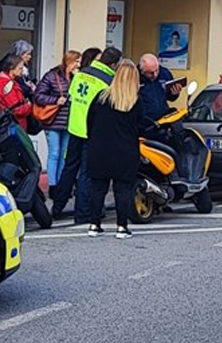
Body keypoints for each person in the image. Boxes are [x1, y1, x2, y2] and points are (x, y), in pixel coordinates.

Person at [52, 46, 120, 225]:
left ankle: (57, 207)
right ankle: (82, 214)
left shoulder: (82, 73)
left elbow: (72, 97)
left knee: (69, 168)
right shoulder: (108, 80)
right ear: (113, 64)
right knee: (86, 174)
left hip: (74, 128)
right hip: (91, 131)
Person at [86, 60, 144, 239]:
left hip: (100, 148)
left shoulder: (101, 97)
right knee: (123, 190)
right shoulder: (135, 101)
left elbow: (90, 122)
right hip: (125, 150)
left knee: (97, 188)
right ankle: (121, 226)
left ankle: (94, 224)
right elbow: (140, 127)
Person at [34, 50, 81, 195]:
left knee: (64, 154)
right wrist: (55, 100)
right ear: (69, 62)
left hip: (69, 121)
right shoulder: (52, 76)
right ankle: (53, 185)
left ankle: (61, 183)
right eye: (77, 62)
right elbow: (38, 96)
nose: (79, 65)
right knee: (54, 153)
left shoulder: (77, 78)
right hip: (53, 121)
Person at [138, 53, 182, 122]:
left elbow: (170, 97)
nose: (155, 75)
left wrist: (174, 93)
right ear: (142, 71)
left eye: (157, 70)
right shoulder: (135, 76)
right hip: (144, 121)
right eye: (150, 73)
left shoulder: (165, 73)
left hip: (163, 119)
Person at [0, 54, 32, 130]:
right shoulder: (6, 84)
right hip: (13, 127)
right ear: (11, 68)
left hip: (13, 125)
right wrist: (29, 106)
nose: (22, 70)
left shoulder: (8, 82)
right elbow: (16, 109)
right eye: (20, 68)